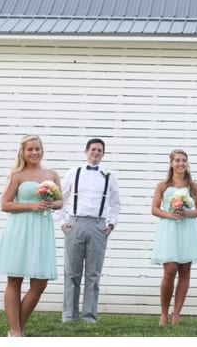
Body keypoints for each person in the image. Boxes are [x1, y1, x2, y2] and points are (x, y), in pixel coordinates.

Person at [0, 134, 62, 337]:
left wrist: (50, 203)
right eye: (30, 149)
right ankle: (16, 332)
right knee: (15, 280)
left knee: (41, 282)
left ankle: (16, 329)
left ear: (42, 150)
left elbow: (60, 202)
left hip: (42, 231)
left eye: (37, 148)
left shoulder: (52, 174)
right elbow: (5, 204)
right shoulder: (17, 175)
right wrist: (32, 206)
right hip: (20, 229)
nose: (34, 152)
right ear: (23, 152)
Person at [59, 138, 121, 324]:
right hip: (75, 223)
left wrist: (111, 224)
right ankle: (69, 315)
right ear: (86, 151)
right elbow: (60, 198)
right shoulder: (74, 172)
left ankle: (89, 316)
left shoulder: (110, 175)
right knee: (72, 272)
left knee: (93, 274)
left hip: (98, 226)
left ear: (103, 154)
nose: (96, 152)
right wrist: (62, 221)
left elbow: (115, 203)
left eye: (100, 150)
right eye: (93, 149)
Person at [150, 149, 197, 326]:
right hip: (169, 229)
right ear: (171, 163)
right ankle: (164, 313)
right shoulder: (163, 185)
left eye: (184, 160)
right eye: (177, 160)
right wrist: (170, 215)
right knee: (170, 269)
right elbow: (154, 209)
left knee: (185, 270)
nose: (181, 163)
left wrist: (187, 213)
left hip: (187, 229)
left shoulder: (193, 186)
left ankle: (176, 314)